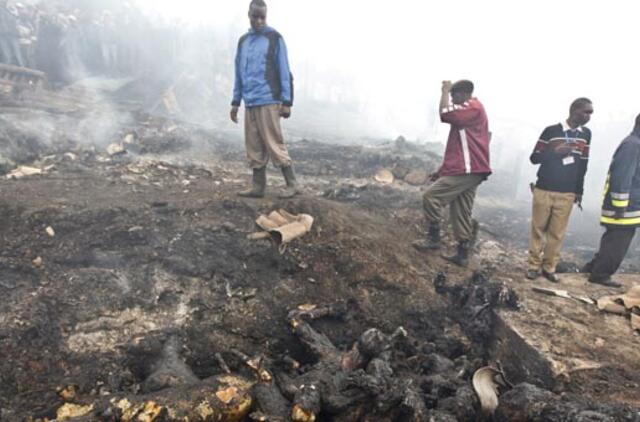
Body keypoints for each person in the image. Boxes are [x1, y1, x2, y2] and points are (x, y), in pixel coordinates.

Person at [413, 80, 491, 267]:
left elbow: (445, 114)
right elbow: (458, 149)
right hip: (471, 169)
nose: (453, 99)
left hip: (469, 168)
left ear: (464, 93)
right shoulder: (469, 113)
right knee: (461, 210)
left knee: (431, 197)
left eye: (455, 95)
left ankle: (433, 239)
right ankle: (463, 253)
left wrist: (444, 92)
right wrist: (442, 171)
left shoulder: (472, 106)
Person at [230, 0, 298, 199]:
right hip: (250, 101)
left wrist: (286, 101)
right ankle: (258, 187)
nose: (259, 21)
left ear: (266, 16)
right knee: (254, 146)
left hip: (268, 100)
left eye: (263, 17)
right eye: (255, 16)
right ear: (249, 15)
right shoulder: (243, 41)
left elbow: (284, 71)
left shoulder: (274, 38)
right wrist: (236, 101)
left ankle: (292, 183)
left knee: (273, 142)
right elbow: (238, 72)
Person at [526, 98, 593, 282]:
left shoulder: (586, 134)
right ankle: (533, 265)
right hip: (544, 188)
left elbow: (583, 164)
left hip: (567, 192)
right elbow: (534, 157)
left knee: (557, 232)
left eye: (590, 113)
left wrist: (579, 191)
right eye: (586, 112)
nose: (588, 116)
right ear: (574, 110)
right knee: (538, 229)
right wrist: (556, 152)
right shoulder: (551, 131)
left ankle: (549, 267)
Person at [582, 113, 640, 288]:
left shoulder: (634, 144)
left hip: (627, 206)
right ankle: (600, 274)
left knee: (613, 240)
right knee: (617, 243)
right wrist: (620, 206)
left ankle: (592, 268)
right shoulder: (633, 146)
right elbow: (621, 178)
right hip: (623, 208)